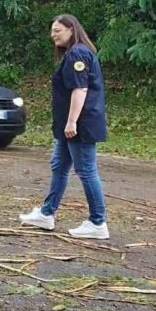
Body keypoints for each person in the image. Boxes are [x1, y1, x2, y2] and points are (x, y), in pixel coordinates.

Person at [20, 14, 110, 239]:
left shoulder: (78, 53)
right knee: (59, 166)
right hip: (67, 127)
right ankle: (46, 213)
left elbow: (80, 90)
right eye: (52, 31)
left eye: (58, 30)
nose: (53, 35)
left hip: (79, 125)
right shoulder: (74, 53)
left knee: (86, 171)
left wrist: (71, 122)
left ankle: (98, 222)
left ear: (72, 29)